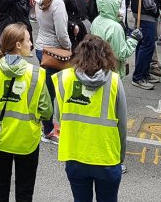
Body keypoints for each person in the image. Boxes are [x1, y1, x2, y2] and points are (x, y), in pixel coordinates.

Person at [0, 22, 52, 202]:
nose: (31, 44)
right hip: (27, 140)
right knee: (25, 190)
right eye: (28, 40)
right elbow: (47, 111)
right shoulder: (37, 74)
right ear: (18, 45)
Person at [54, 34, 126, 202]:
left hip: (75, 155)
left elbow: (59, 115)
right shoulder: (114, 81)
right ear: (107, 55)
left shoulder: (65, 78)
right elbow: (122, 124)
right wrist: (120, 155)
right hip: (106, 156)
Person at [35, 0, 70, 143]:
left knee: (46, 89)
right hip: (54, 50)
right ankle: (47, 129)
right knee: (51, 93)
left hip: (41, 47)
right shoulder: (58, 3)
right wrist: (68, 47)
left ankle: (46, 125)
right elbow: (62, 33)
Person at [91, 0, 140, 78]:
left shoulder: (96, 20)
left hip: (98, 66)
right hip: (112, 70)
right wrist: (133, 39)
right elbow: (121, 54)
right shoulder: (115, 27)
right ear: (113, 6)